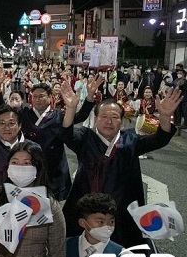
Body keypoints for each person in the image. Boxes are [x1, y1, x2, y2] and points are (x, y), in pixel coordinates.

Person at [59, 83, 183, 248]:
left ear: (122, 122)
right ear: (96, 119)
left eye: (115, 117)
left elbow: (160, 139)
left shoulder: (130, 140)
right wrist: (71, 109)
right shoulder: (85, 138)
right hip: (87, 208)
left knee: (122, 254)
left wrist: (165, 117)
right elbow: (66, 134)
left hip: (121, 211)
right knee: (81, 249)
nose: (109, 121)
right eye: (104, 116)